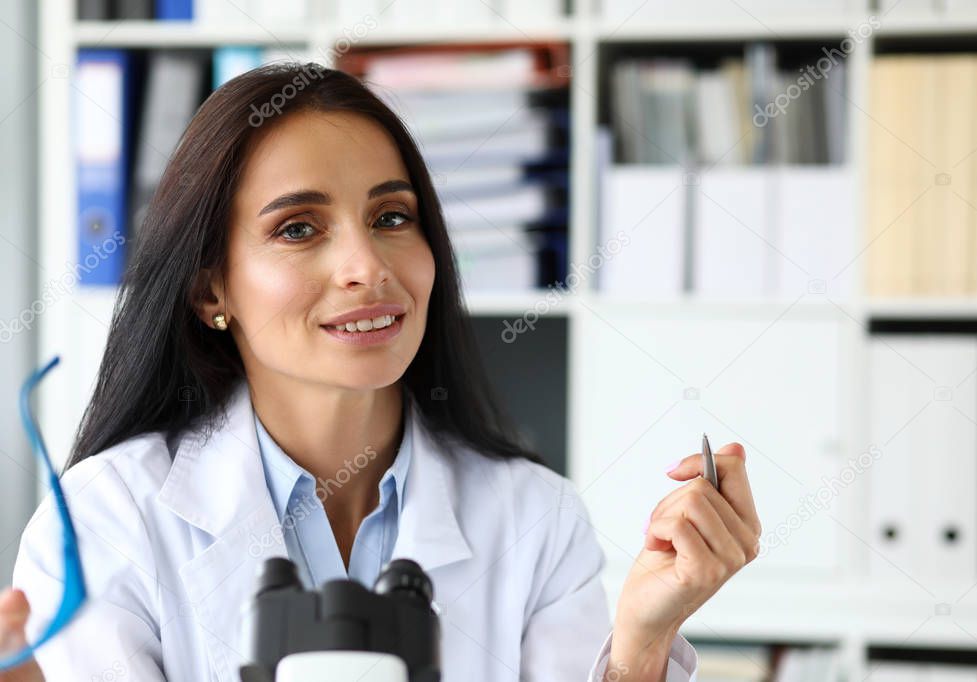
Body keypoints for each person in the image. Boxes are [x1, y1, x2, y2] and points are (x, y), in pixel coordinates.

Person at [0, 63, 761, 681]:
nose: (368, 267)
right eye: (298, 229)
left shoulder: (535, 517)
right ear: (210, 291)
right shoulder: (109, 519)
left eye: (392, 217)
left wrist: (642, 641)